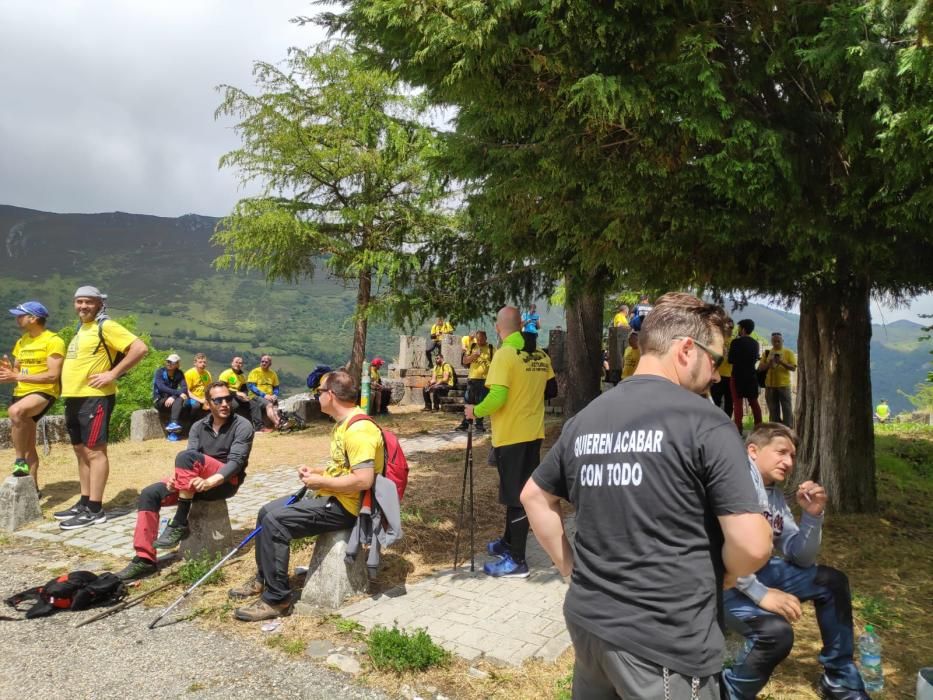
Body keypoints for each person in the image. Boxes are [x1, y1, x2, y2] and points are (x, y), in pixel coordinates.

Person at [521, 291, 772, 700]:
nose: (716, 374)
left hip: (589, 626)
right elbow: (753, 543)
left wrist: (571, 570)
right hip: (665, 642)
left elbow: (534, 496)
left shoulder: (586, 418)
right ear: (686, 350)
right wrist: (724, 575)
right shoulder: (705, 422)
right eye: (715, 360)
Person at [723, 423, 868, 700]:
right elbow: (720, 549)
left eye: (792, 456)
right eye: (781, 452)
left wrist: (812, 516)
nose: (789, 462)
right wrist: (760, 593)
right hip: (724, 583)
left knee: (832, 581)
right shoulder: (732, 485)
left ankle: (840, 679)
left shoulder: (774, 495)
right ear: (752, 451)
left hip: (760, 571)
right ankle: (729, 691)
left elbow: (800, 556)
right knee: (776, 634)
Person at [230, 369, 384, 621]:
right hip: (334, 496)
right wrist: (318, 472)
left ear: (331, 394)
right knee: (266, 512)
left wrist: (321, 481)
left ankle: (277, 600)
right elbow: (346, 469)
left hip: (347, 507)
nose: (317, 396)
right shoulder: (343, 424)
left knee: (276, 523)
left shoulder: (359, 430)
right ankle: (263, 578)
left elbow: (363, 480)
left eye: (319, 391)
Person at [116, 382, 254, 581]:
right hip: (195, 481)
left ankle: (179, 521)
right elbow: (190, 458)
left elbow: (236, 462)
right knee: (149, 494)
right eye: (218, 400)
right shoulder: (198, 426)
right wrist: (177, 479)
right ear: (207, 404)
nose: (225, 403)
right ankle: (145, 559)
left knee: (186, 457)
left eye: (228, 399)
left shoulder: (242, 425)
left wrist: (209, 482)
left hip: (224, 482)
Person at [464, 306, 556, 578]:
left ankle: (517, 560)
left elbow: (497, 398)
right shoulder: (539, 354)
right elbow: (552, 390)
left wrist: (474, 411)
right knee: (516, 493)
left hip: (511, 436)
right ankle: (507, 542)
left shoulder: (504, 355)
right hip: (533, 433)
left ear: (498, 327)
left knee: (517, 498)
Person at [56, 286, 148, 530]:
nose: (82, 306)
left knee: (95, 452)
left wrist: (113, 374)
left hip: (95, 398)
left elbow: (139, 348)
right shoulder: (82, 328)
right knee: (80, 451)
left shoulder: (105, 326)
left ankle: (95, 509)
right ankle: (85, 501)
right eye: (78, 301)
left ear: (99, 304)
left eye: (88, 302)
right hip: (75, 396)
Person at [0, 301, 65, 488]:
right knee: (28, 445)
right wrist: (7, 373)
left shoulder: (53, 341)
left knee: (15, 411)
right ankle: (33, 490)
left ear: (34, 318)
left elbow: (53, 375)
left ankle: (18, 461)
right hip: (21, 391)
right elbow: (18, 370)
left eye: (21, 315)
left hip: (43, 391)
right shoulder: (22, 341)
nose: (17, 318)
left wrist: (17, 375)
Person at [455, 330, 494, 432]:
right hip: (472, 379)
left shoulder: (491, 348)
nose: (480, 341)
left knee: (481, 402)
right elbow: (464, 361)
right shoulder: (472, 346)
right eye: (478, 339)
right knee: (469, 401)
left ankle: (479, 425)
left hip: (485, 380)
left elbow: (497, 362)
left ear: (486, 338)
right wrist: (473, 356)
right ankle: (466, 423)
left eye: (482, 339)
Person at [728, 318, 763, 433]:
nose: (738, 330)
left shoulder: (735, 342)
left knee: (737, 403)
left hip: (737, 375)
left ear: (742, 329)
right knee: (754, 402)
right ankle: (759, 427)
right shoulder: (755, 343)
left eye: (739, 328)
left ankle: (738, 428)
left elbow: (730, 360)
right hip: (751, 376)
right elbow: (756, 358)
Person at [759, 332, 797, 429]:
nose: (776, 343)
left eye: (778, 341)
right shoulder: (767, 353)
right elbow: (760, 368)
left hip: (784, 385)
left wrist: (781, 362)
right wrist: (769, 364)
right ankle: (775, 429)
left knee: (787, 409)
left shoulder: (788, 352)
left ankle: (788, 429)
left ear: (782, 341)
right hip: (770, 385)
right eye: (774, 341)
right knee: (773, 409)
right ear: (771, 341)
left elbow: (793, 368)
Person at [152, 353, 190, 441]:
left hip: (172, 401)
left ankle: (173, 427)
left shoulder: (179, 373)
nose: (168, 363)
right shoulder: (160, 372)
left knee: (182, 398)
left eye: (171, 362)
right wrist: (177, 393)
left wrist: (173, 396)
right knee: (181, 397)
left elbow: (184, 388)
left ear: (177, 364)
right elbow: (162, 387)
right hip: (159, 400)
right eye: (167, 361)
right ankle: (174, 427)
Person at [248, 354, 282, 431]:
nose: (263, 363)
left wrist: (275, 395)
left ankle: (279, 423)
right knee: (269, 404)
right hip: (255, 395)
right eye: (262, 361)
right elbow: (251, 386)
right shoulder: (255, 372)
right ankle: (278, 423)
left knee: (275, 407)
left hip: (269, 396)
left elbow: (276, 386)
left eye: (266, 362)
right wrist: (264, 395)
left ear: (270, 363)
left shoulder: (272, 373)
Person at [711, 318, 735, 418]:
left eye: (731, 327)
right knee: (715, 400)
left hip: (730, 375)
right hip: (718, 374)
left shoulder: (734, 342)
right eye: (727, 327)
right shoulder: (717, 340)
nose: (730, 329)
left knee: (729, 401)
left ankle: (727, 422)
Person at [218, 355, 251, 421]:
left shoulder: (242, 376)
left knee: (253, 405)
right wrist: (236, 393)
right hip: (227, 396)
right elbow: (222, 389)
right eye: (236, 362)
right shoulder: (226, 373)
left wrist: (245, 396)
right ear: (232, 363)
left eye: (240, 363)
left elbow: (245, 389)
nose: (238, 364)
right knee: (235, 405)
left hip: (238, 396)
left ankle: (255, 426)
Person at [183, 353, 212, 420]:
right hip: (191, 398)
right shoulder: (189, 373)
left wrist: (207, 399)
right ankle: (190, 422)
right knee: (196, 406)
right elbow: (187, 391)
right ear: (195, 363)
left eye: (204, 362)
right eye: (200, 362)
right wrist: (200, 400)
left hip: (204, 398)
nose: (203, 364)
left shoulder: (207, 374)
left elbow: (209, 388)